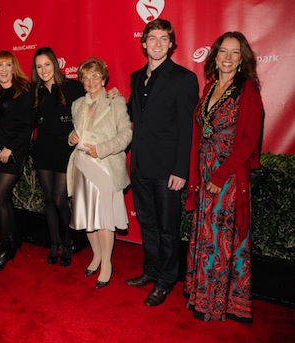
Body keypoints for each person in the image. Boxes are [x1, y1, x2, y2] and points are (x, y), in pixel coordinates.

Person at [184, 32, 263, 323]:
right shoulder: (210, 87)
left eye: (234, 53)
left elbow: (250, 138)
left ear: (242, 59)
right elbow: (201, 133)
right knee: (205, 239)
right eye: (223, 52)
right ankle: (200, 294)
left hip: (228, 177)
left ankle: (217, 304)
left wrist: (221, 173)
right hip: (205, 176)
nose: (227, 58)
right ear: (215, 56)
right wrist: (200, 174)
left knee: (220, 240)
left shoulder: (248, 89)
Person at [125, 18, 199, 306]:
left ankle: (167, 280)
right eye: (152, 38)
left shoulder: (183, 78)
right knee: (147, 224)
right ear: (143, 43)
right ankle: (151, 271)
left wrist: (181, 170)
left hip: (168, 170)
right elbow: (135, 115)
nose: (157, 44)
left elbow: (187, 130)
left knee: (168, 229)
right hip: (141, 166)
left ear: (171, 44)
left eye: (163, 39)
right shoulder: (135, 77)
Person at [67, 57, 132, 287]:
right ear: (82, 81)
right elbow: (76, 135)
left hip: (105, 167)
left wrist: (101, 150)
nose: (91, 81)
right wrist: (72, 138)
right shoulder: (77, 105)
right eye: (86, 77)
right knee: (87, 218)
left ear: (103, 78)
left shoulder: (115, 101)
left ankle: (107, 263)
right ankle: (95, 256)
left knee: (104, 219)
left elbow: (126, 135)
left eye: (96, 76)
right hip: (83, 165)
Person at [30, 47, 85, 266]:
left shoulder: (72, 87)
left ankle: (68, 242)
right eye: (39, 66)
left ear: (55, 64)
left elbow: (94, 100)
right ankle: (54, 243)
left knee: (60, 198)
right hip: (43, 149)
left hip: (65, 149)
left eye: (47, 64)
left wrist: (112, 95)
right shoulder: (34, 92)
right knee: (49, 198)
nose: (43, 70)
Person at [0, 50, 35, 271]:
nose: (4, 70)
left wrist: (10, 148)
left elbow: (28, 126)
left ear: (14, 67)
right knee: (4, 200)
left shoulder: (24, 91)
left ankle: (4, 246)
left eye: (7, 65)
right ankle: (14, 240)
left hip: (13, 152)